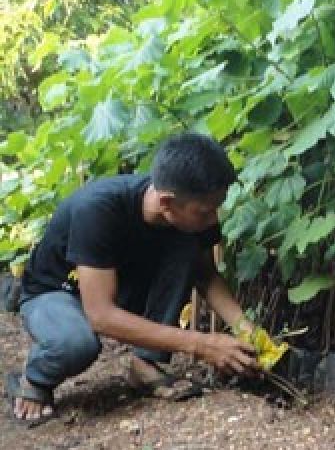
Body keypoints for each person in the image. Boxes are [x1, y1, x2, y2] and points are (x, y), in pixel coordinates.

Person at [6, 132, 261, 427]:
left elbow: (205, 275)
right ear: (166, 202)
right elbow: (101, 316)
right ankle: (35, 378)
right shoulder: (99, 209)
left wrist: (246, 329)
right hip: (56, 294)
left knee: (187, 246)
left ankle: (145, 363)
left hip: (116, 287)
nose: (214, 220)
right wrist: (201, 344)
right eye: (205, 211)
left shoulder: (188, 213)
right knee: (77, 344)